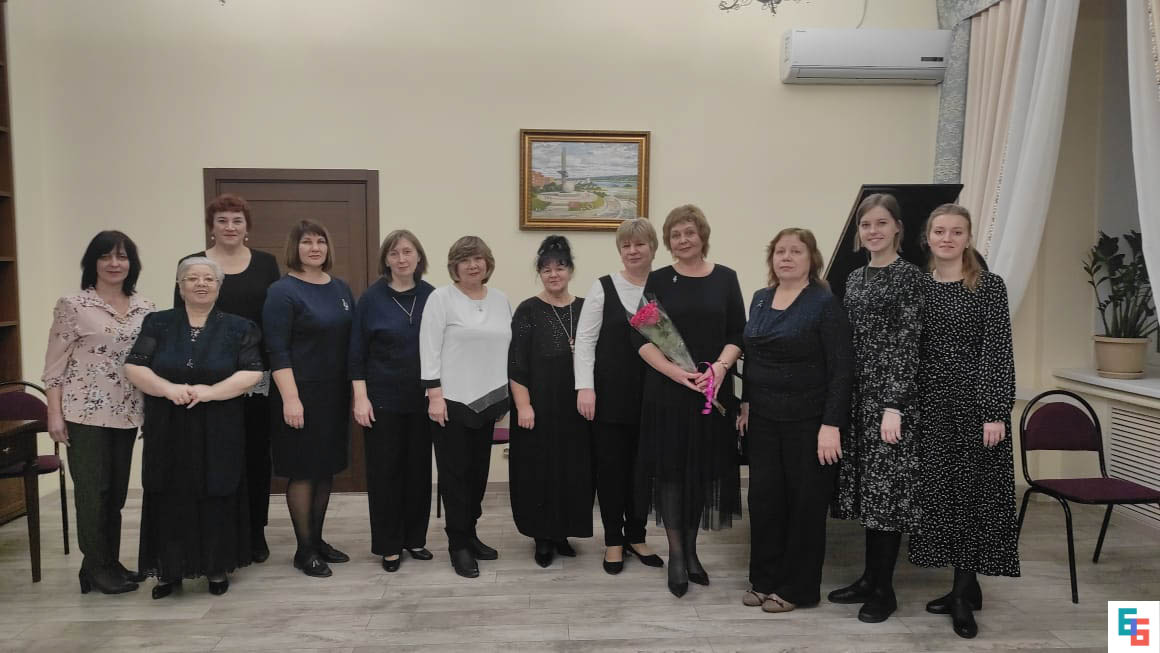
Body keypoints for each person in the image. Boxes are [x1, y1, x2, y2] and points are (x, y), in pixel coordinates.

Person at [908, 204, 1019, 639]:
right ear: (928, 237)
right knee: (943, 498)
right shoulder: (919, 287)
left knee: (972, 499)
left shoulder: (989, 286)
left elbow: (998, 351)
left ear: (968, 238)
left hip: (975, 409)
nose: (947, 238)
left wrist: (994, 411)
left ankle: (960, 596)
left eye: (956, 231)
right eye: (940, 231)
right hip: (932, 408)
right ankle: (967, 586)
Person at [125, 257, 263, 598]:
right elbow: (135, 366)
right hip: (168, 424)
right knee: (169, 492)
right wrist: (167, 388)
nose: (201, 284)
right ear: (180, 285)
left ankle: (216, 567)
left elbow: (253, 372)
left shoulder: (239, 327)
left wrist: (210, 393)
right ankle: (169, 570)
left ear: (219, 286)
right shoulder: (158, 322)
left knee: (217, 490)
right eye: (192, 278)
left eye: (208, 279)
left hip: (219, 424)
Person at [736, 228, 853, 614]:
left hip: (809, 421)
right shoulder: (760, 298)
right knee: (764, 500)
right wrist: (746, 402)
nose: (786, 257)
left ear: (811, 258)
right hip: (764, 419)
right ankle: (763, 579)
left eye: (796, 251)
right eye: (780, 251)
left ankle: (798, 588)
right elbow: (753, 357)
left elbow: (841, 369)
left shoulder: (824, 303)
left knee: (804, 505)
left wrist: (831, 425)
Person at [633, 205, 745, 598]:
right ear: (668, 242)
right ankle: (677, 556)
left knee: (699, 474)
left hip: (711, 391)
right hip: (669, 392)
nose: (683, 240)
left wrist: (719, 368)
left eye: (689, 233)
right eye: (675, 235)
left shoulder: (726, 278)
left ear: (702, 235)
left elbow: (737, 333)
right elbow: (641, 338)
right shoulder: (659, 279)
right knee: (671, 475)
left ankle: (693, 551)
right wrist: (677, 373)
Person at [828, 194, 924, 623]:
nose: (873, 231)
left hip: (890, 404)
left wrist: (894, 405)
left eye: (881, 223)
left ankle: (885, 590)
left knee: (887, 497)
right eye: (866, 224)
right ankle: (869, 578)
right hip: (858, 400)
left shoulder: (910, 277)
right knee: (869, 493)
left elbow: (909, 344)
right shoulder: (855, 278)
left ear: (898, 227)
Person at [42, 231, 155, 595]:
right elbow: (54, 367)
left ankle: (107, 562)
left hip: (127, 412)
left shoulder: (145, 308)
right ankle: (95, 567)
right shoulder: (73, 305)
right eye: (105, 256)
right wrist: (54, 414)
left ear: (131, 264)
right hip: (83, 414)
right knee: (93, 493)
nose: (114, 263)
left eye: (122, 257)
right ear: (92, 262)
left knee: (116, 494)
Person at [175, 193, 282, 563]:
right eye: (222, 220)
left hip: (255, 376)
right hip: (207, 377)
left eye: (237, 220)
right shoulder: (193, 264)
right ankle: (218, 531)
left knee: (256, 454)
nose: (230, 227)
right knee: (215, 455)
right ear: (212, 226)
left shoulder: (266, 264)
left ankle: (255, 531)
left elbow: (274, 319)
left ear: (247, 226)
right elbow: (181, 320)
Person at [263, 220, 355, 578]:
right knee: (303, 471)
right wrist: (291, 398)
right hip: (298, 394)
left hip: (333, 394)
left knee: (325, 468)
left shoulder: (340, 288)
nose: (315, 248)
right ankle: (304, 550)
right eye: (306, 242)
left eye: (320, 241)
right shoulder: (282, 291)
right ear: (295, 248)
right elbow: (276, 350)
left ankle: (317, 540)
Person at [574, 218, 663, 574]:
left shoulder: (663, 285)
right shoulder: (603, 287)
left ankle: (636, 536)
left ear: (653, 247)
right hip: (608, 398)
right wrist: (585, 387)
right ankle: (613, 539)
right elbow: (585, 341)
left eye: (639, 244)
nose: (632, 250)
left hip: (653, 397)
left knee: (643, 472)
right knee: (611, 470)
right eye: (626, 245)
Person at [420, 236, 512, 579]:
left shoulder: (500, 299)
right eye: (465, 260)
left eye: (478, 258)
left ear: (487, 263)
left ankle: (470, 534)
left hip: (489, 401)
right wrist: (434, 395)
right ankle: (457, 544)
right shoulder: (440, 298)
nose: (473, 265)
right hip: (451, 402)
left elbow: (507, 349)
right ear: (454, 266)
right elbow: (429, 348)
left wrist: (503, 396)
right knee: (455, 476)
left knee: (477, 477)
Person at [349, 229, 435, 572]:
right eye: (394, 253)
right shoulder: (371, 299)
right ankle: (389, 546)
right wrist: (360, 398)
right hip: (382, 401)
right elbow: (356, 352)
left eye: (407, 252)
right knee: (386, 475)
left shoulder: (432, 295)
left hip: (423, 401)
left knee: (419, 472)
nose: (401, 259)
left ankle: (414, 538)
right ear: (386, 259)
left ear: (418, 257)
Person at [509, 235, 593, 568]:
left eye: (560, 267)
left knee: (572, 471)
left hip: (576, 408)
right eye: (546, 269)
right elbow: (516, 363)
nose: (553, 274)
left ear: (570, 270)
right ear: (539, 274)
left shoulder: (585, 308)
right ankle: (542, 537)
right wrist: (523, 405)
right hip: (538, 407)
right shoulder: (528, 310)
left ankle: (563, 533)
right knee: (539, 471)